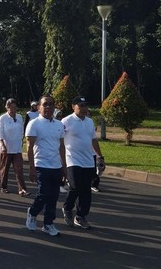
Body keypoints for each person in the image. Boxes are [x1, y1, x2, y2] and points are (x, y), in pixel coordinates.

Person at [60, 96, 105, 230]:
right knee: (75, 186)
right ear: (73, 106)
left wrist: (100, 156)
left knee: (86, 191)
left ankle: (80, 216)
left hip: (88, 160)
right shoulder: (66, 121)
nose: (84, 108)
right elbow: (59, 140)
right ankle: (67, 208)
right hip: (72, 159)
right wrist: (60, 159)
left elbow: (93, 140)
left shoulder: (90, 122)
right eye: (81, 106)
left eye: (85, 105)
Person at [24, 95, 66, 237]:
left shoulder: (59, 125)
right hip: (41, 164)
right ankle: (32, 212)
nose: (48, 107)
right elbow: (29, 148)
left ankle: (48, 224)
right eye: (45, 104)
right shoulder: (34, 124)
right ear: (39, 107)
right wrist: (31, 168)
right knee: (43, 194)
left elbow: (61, 147)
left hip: (56, 166)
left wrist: (64, 167)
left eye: (51, 104)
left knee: (54, 196)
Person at [0, 98, 28, 196]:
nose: (13, 109)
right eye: (10, 107)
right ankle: (4, 186)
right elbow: (0, 131)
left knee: (19, 169)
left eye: (15, 107)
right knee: (5, 168)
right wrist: (1, 143)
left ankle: (22, 189)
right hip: (6, 147)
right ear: (7, 107)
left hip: (17, 147)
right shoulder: (3, 118)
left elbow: (21, 130)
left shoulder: (19, 117)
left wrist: (21, 140)